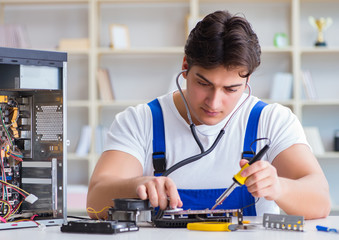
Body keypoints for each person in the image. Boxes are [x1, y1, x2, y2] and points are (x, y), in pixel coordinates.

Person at [87, 10, 330, 220]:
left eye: (231, 89)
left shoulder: (272, 120)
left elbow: (320, 201)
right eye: (204, 83)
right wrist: (137, 184)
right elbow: (95, 202)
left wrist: (279, 188)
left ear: (247, 81)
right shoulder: (141, 121)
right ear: (185, 67)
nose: (214, 102)